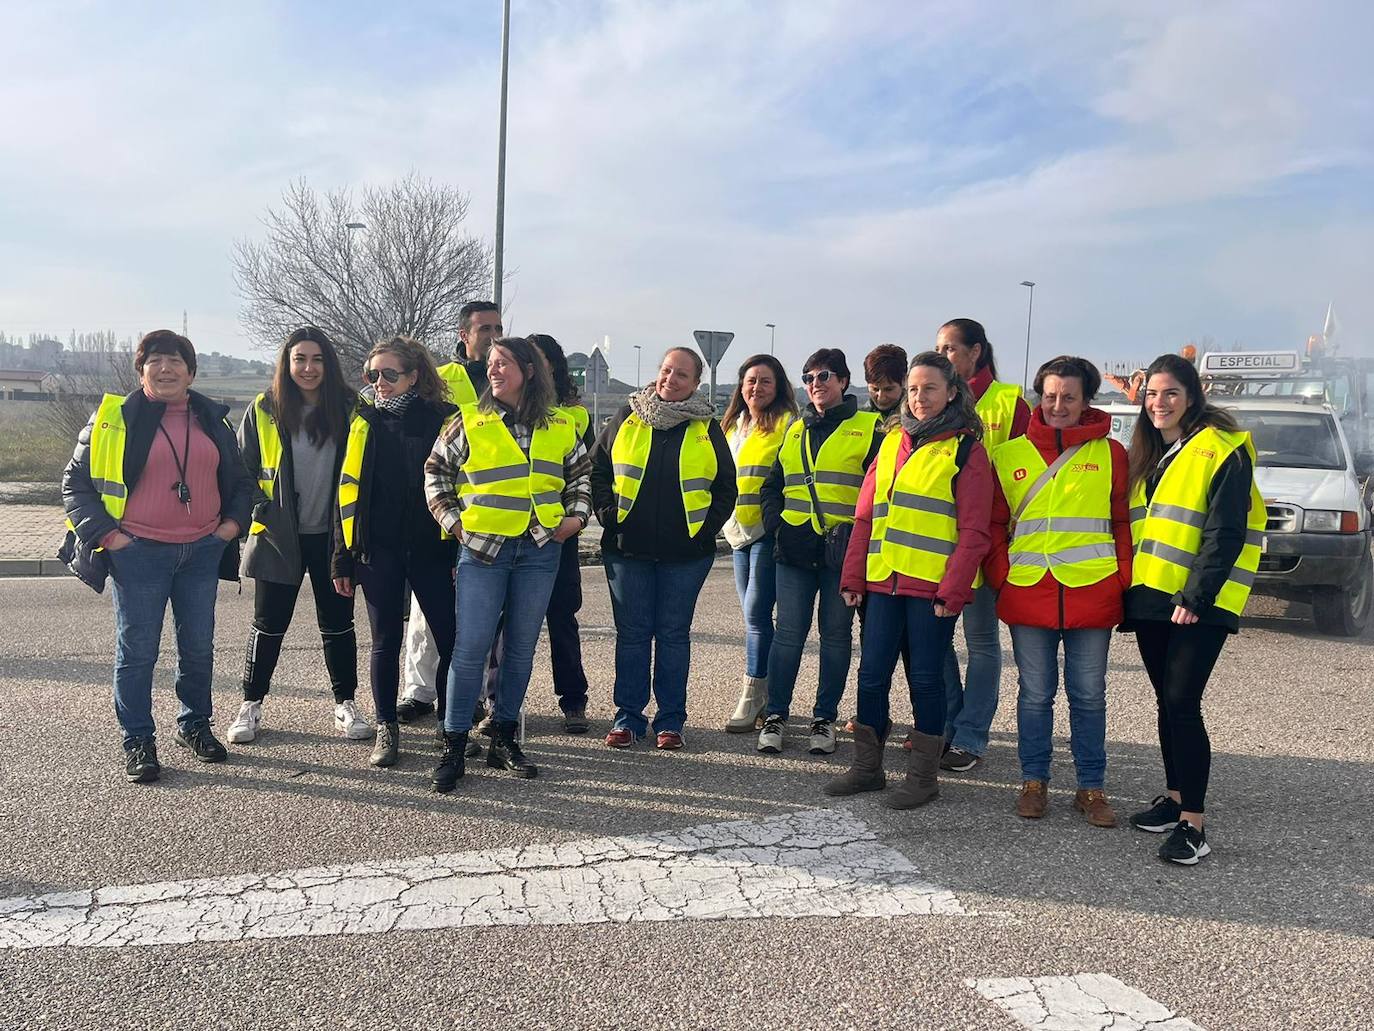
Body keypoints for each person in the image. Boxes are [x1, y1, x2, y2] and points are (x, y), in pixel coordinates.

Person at [59, 330, 253, 783]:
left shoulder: (212, 418)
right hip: (138, 552)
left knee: (199, 647)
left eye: (175, 361)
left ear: (191, 371)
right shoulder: (114, 418)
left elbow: (242, 482)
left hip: (202, 550)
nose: (166, 369)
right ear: (141, 369)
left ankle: (194, 725)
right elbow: (75, 484)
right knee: (138, 651)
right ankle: (139, 740)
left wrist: (230, 528)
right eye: (156, 361)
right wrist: (109, 537)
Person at [424, 335, 591, 790]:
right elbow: (436, 472)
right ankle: (454, 743)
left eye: (503, 364)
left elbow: (580, 477)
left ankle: (503, 736)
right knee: (470, 648)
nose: (494, 370)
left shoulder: (560, 424)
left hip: (540, 549)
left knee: (519, 649)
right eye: (492, 363)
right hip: (482, 551)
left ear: (529, 371)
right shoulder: (469, 421)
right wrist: (454, 523)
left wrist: (575, 519)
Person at [825, 351, 991, 806]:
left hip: (930, 591)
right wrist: (853, 579)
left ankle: (922, 779)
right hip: (882, 584)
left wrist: (953, 592)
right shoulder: (893, 443)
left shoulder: (966, 451)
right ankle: (866, 769)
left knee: (926, 681)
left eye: (930, 388)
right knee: (872, 676)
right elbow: (865, 518)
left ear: (952, 392)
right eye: (914, 388)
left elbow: (975, 532)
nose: (919, 397)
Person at [1122, 353, 1264, 865]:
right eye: (1151, 394)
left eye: (1170, 394)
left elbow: (1225, 532)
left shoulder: (1222, 448)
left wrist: (1196, 598)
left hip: (1198, 602)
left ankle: (1194, 826)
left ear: (1192, 396)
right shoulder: (1156, 451)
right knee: (1167, 703)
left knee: (1182, 704)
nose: (1158, 403)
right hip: (1155, 598)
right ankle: (1175, 799)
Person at [986, 356, 1132, 827]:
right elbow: (991, 526)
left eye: (1069, 397)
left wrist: (1122, 579)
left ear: (1086, 400)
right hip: (1028, 590)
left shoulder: (1111, 455)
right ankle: (1034, 782)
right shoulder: (1008, 456)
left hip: (1093, 590)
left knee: (1089, 695)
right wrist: (1000, 577)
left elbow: (1123, 523)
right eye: (1049, 396)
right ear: (1038, 397)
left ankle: (1091, 788)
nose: (1057, 405)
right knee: (1035, 694)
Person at [591, 347, 736, 750]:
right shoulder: (628, 415)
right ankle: (628, 718)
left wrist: (705, 531)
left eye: (682, 375)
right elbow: (597, 468)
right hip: (627, 550)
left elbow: (726, 487)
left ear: (695, 384)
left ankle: (670, 721)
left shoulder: (707, 426)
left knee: (673, 635)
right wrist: (607, 513)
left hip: (686, 556)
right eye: (666, 370)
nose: (670, 379)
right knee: (633, 635)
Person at [227, 327, 367, 745]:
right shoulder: (265, 407)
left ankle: (345, 704)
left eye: (317, 359)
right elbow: (240, 468)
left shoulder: (349, 407)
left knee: (338, 625)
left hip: (333, 538)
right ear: (286, 364)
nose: (308, 368)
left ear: (329, 363)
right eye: (300, 359)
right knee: (268, 625)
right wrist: (261, 509)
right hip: (277, 534)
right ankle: (250, 705)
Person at [331, 336, 458, 768]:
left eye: (390, 374)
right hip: (377, 551)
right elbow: (344, 493)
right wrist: (341, 557)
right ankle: (387, 728)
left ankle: (450, 726)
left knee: (451, 640)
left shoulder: (444, 419)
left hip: (433, 549)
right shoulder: (364, 421)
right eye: (373, 375)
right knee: (385, 641)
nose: (379, 383)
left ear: (414, 375)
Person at [756, 348, 883, 756]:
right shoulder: (795, 429)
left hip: (842, 555)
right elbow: (772, 485)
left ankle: (823, 719)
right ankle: (776, 715)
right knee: (788, 635)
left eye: (825, 376)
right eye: (809, 377)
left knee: (835, 637)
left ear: (844, 381)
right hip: (794, 551)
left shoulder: (870, 428)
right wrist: (777, 527)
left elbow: (881, 492)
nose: (816, 384)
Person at [474, 334, 596, 736]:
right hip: (507, 534)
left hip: (556, 533)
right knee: (501, 627)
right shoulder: (493, 415)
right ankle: (498, 703)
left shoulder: (573, 415)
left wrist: (572, 522)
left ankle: (573, 700)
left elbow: (582, 473)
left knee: (562, 616)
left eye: (538, 361)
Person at [933, 318, 1032, 773]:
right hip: (936, 542)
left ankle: (971, 735)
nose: (943, 356)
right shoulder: (936, 401)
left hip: (987, 543)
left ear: (976, 351)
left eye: (950, 348)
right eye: (938, 348)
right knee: (936, 642)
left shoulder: (1010, 403)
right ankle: (948, 726)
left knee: (982, 643)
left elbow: (1026, 474)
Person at [398, 300, 503, 723]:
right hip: (440, 512)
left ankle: (469, 695)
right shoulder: (442, 379)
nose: (493, 336)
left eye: (499, 327)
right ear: (464, 335)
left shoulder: (507, 378)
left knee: (475, 616)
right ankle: (419, 691)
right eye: (484, 329)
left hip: (484, 513)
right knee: (426, 610)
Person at [720, 354, 798, 732]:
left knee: (755, 614)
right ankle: (766, 692)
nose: (756, 388)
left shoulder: (786, 423)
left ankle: (752, 694)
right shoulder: (731, 424)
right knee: (754, 617)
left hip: (767, 531)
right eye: (751, 380)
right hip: (736, 531)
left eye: (765, 381)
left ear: (778, 386)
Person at [864, 344, 907, 426]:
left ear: (904, 380)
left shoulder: (916, 420)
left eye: (888, 389)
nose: (881, 397)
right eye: (875, 389)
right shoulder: (860, 420)